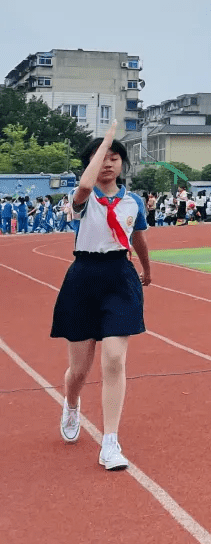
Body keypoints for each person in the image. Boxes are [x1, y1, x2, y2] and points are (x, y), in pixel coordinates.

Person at [50, 124, 152, 471]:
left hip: (119, 278)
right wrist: (105, 140)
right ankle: (72, 402)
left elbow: (138, 238)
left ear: (123, 163)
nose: (108, 163)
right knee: (79, 369)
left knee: (114, 359)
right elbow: (83, 184)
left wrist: (147, 270)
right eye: (100, 158)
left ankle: (110, 442)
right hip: (83, 278)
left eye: (114, 157)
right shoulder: (82, 199)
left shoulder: (133, 202)